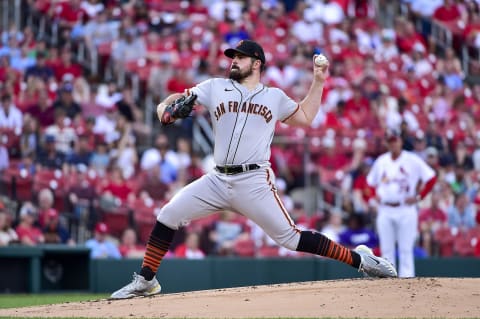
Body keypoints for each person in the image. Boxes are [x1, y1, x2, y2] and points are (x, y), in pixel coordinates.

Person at [110, 39, 397, 299]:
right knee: (168, 214)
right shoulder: (214, 87)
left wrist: (318, 82)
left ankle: (361, 260)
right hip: (217, 179)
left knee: (292, 239)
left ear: (257, 63)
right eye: (232, 57)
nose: (234, 60)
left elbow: (306, 117)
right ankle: (146, 280)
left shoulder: (274, 96)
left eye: (241, 57)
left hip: (253, 180)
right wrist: (164, 109)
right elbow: (175, 101)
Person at [366, 129, 437, 278]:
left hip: (406, 208)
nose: (393, 144)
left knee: (406, 249)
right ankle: (387, 281)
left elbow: (431, 178)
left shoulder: (412, 160)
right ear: (386, 143)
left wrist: (418, 197)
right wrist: (374, 197)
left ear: (401, 141)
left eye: (395, 140)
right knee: (387, 250)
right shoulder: (381, 161)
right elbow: (370, 183)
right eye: (390, 141)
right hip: (385, 208)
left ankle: (407, 283)